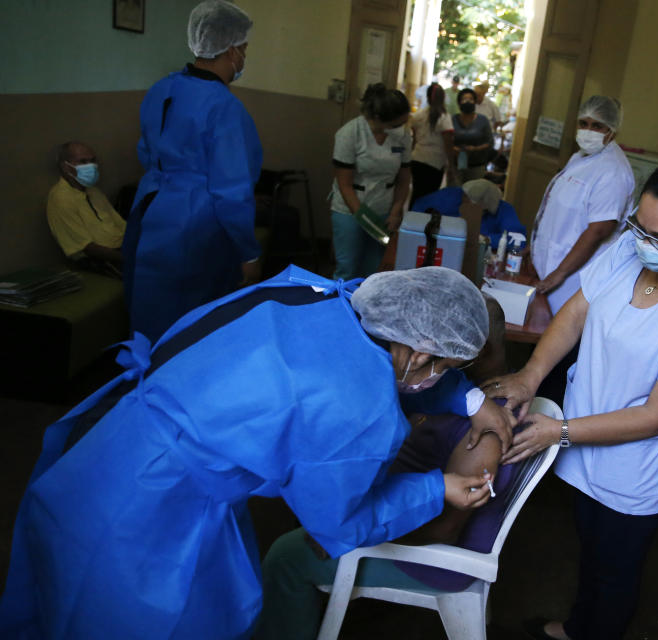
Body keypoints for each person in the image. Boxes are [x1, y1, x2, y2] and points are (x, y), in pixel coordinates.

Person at [0, 266, 517, 639]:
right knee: (130, 617)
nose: (441, 378)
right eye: (447, 368)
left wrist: (469, 397)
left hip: (110, 440)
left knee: (56, 597)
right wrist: (437, 488)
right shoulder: (357, 412)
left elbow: (403, 360)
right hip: (146, 509)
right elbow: (339, 524)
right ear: (424, 353)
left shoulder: (322, 293)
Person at [484, 159, 658, 640]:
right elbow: (575, 313)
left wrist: (559, 432)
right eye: (640, 228)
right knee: (590, 550)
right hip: (583, 444)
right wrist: (530, 375)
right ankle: (578, 627)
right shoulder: (631, 247)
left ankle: (594, 631)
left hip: (637, 468)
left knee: (615, 570)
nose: (645, 244)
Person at [257, 295, 514, 640]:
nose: (430, 363)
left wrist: (351, 537)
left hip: (432, 558)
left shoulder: (484, 434)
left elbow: (442, 531)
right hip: (395, 508)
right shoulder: (468, 399)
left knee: (283, 558)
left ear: (472, 352)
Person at [123, 0, 261, 345]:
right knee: (193, 332)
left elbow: (147, 153)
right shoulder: (224, 106)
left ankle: (142, 388)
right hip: (197, 228)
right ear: (231, 50)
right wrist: (249, 252)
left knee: (149, 323)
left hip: (149, 214)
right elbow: (232, 192)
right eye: (243, 48)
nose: (243, 56)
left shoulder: (161, 89)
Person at [530, 95, 635, 316]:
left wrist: (559, 273)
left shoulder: (613, 171)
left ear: (612, 130)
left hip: (574, 277)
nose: (588, 131)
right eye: (584, 123)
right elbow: (556, 213)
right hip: (552, 267)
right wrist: (535, 247)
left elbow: (599, 230)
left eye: (597, 126)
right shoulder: (580, 158)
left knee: (563, 337)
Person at [330, 83, 412, 280]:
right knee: (348, 266)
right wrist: (364, 219)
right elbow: (344, 184)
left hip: (384, 205)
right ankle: (341, 307)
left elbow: (404, 178)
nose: (400, 128)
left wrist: (396, 210)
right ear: (377, 118)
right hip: (350, 207)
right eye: (396, 124)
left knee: (374, 268)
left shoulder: (402, 136)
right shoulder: (350, 133)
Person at [46, 141, 126, 273]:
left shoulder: (94, 192)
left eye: (93, 160)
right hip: (99, 260)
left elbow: (120, 224)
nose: (91, 166)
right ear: (65, 167)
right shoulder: (60, 199)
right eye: (83, 162)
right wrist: (130, 258)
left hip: (123, 247)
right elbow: (87, 248)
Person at [412, 178, 526, 249]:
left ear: (486, 208)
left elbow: (518, 240)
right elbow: (417, 210)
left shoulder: (504, 210)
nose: (464, 204)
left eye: (471, 205)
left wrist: (485, 240)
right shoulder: (452, 195)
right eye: (464, 198)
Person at [409, 82, 457, 203]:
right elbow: (448, 143)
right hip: (435, 162)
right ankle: (423, 220)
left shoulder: (418, 115)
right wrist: (451, 165)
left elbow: (414, 140)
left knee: (416, 193)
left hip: (417, 158)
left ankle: (411, 219)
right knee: (429, 196)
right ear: (443, 98)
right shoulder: (444, 117)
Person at [452, 88, 494, 184]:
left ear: (475, 102)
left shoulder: (483, 120)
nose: (467, 102)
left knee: (473, 194)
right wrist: (454, 149)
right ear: (459, 103)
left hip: (477, 166)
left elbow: (490, 142)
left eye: (470, 99)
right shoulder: (453, 119)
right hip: (456, 165)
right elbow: (446, 140)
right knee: (454, 193)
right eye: (464, 99)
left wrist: (475, 149)